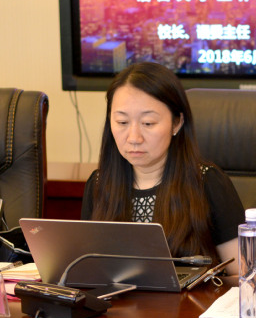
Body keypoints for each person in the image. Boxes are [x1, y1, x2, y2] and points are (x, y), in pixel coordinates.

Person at [81, 62, 244, 273]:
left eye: (148, 123)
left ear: (176, 123)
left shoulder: (207, 182)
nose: (133, 138)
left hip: (196, 296)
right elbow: (88, 269)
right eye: (122, 122)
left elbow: (245, 276)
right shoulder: (99, 184)